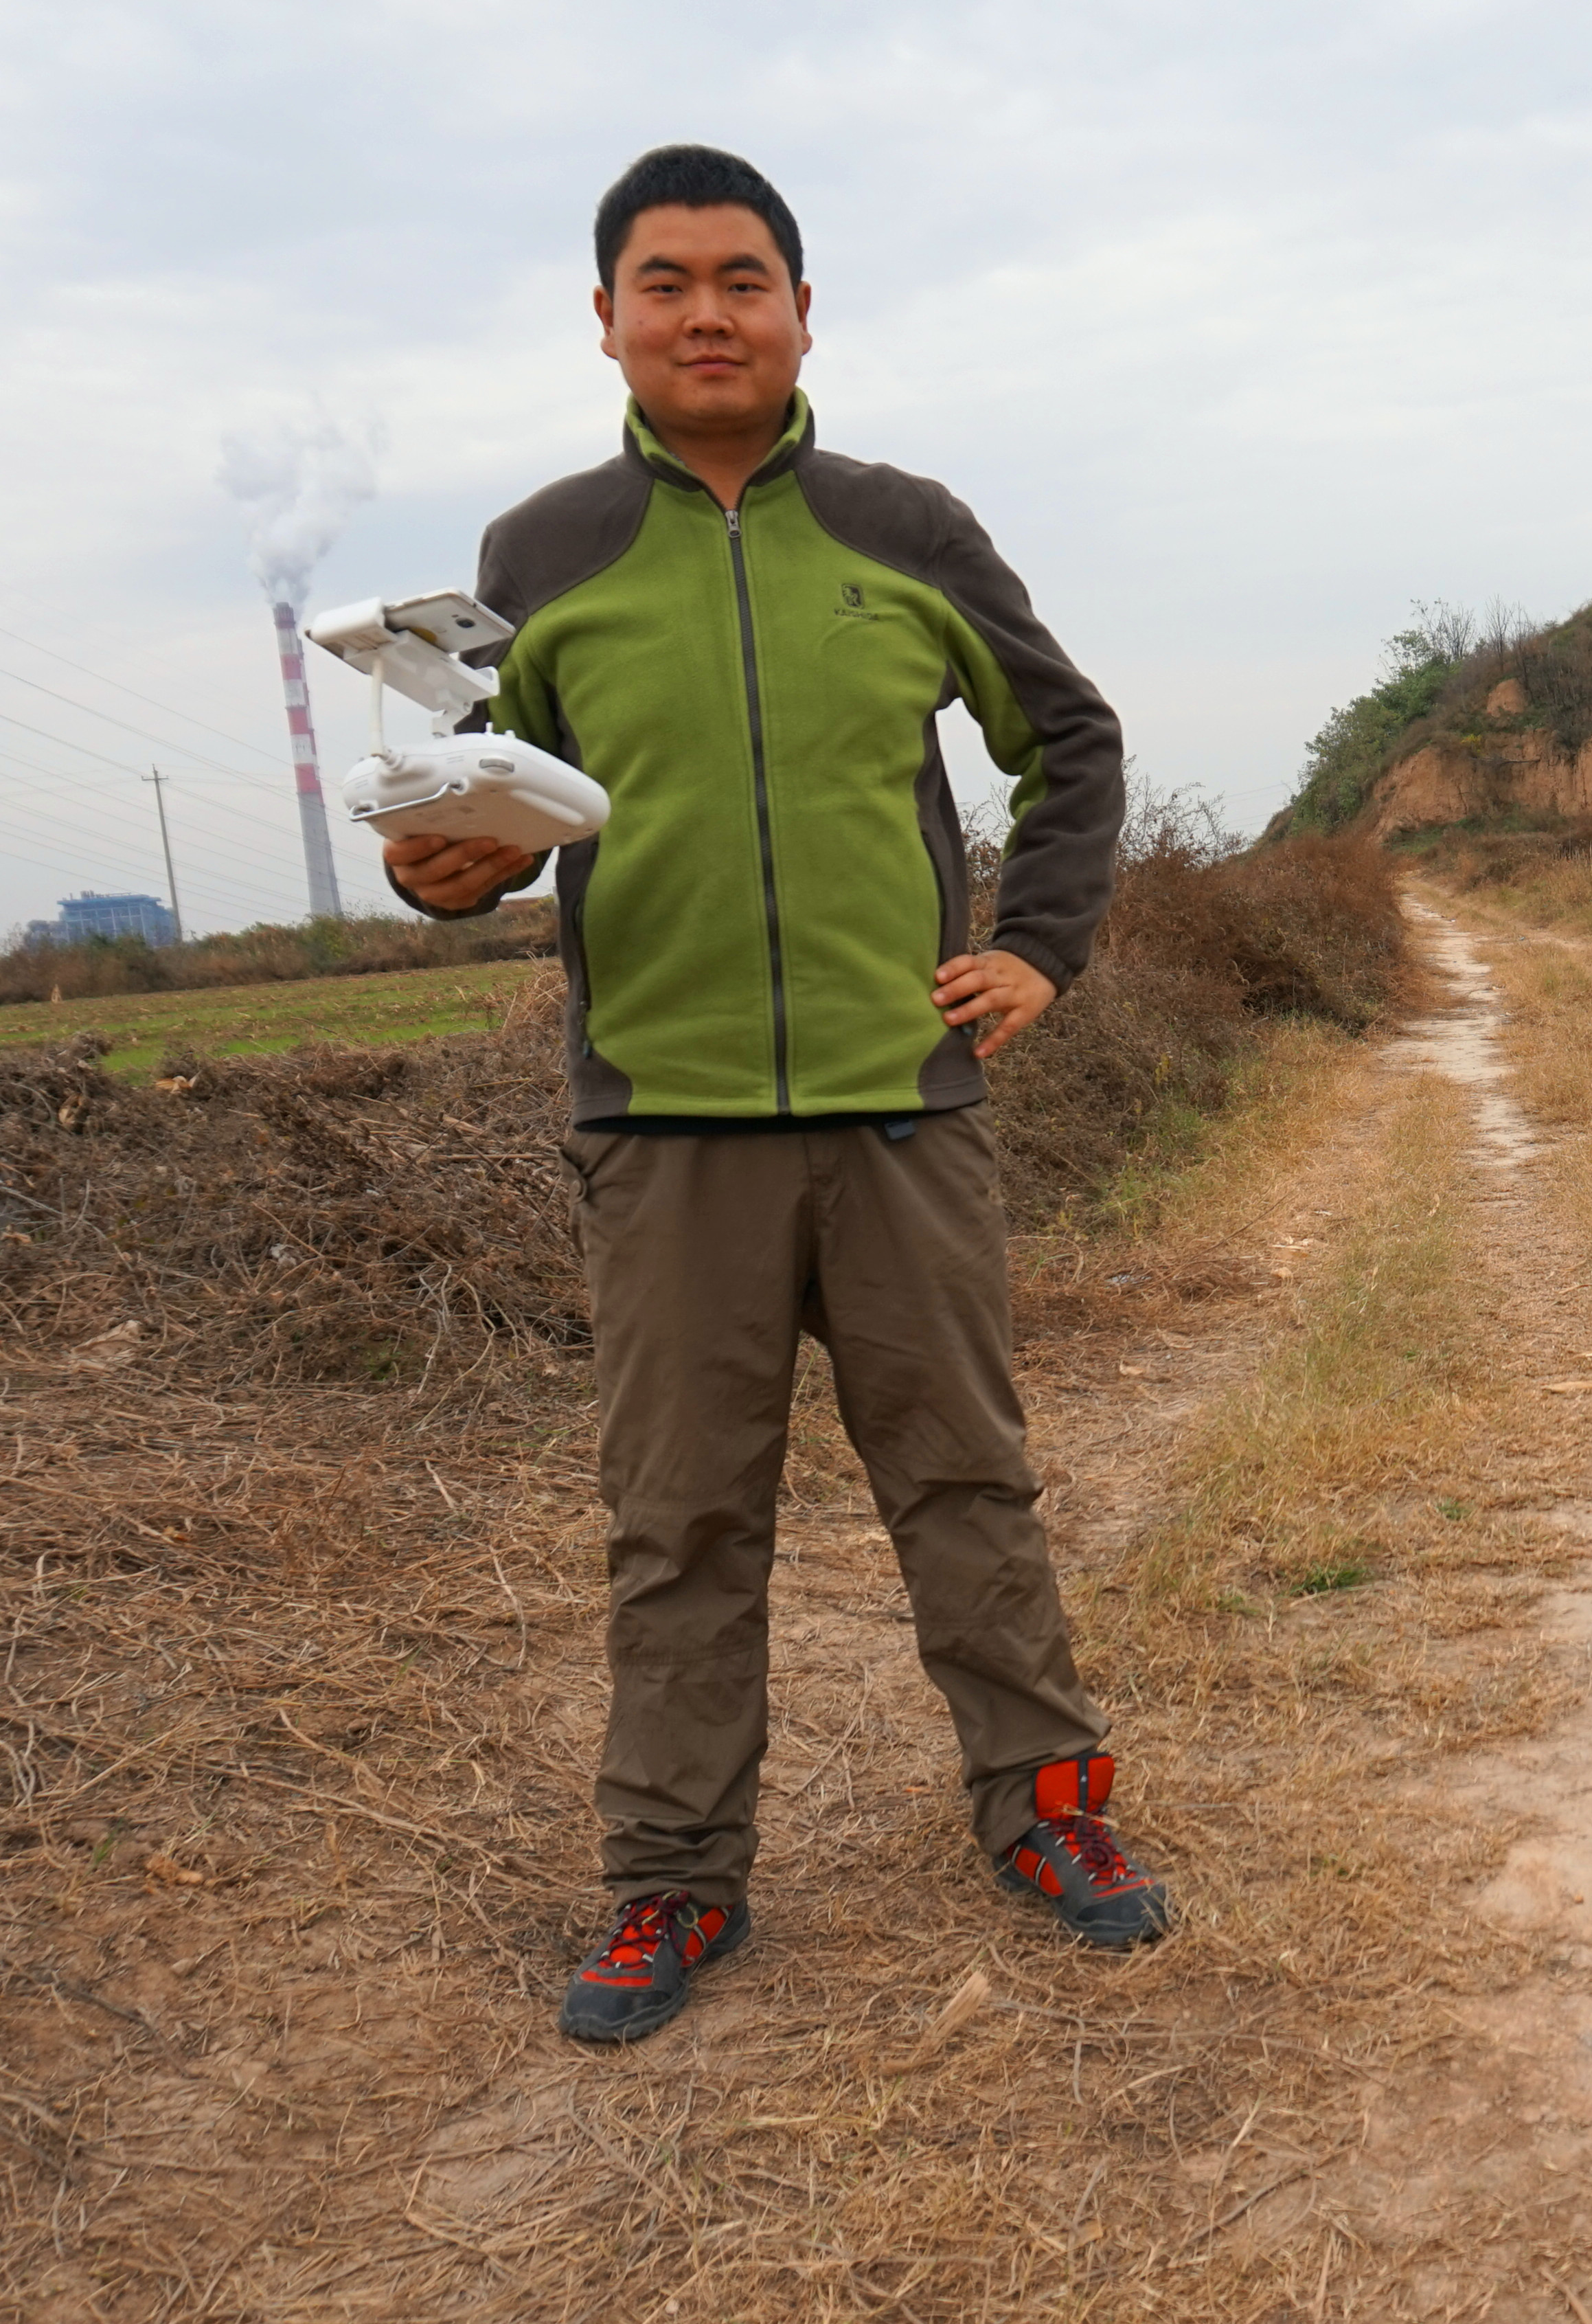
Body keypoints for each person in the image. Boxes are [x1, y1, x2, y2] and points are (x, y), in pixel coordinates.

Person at [389, 143, 1170, 2046]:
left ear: (804, 311)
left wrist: (1041, 947)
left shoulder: (909, 527)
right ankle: (670, 1888)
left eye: (745, 279)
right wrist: (450, 871)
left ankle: (1046, 1816)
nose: (708, 312)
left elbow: (1067, 739)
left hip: (904, 1110)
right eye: (666, 283)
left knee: (964, 1483)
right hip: (663, 1124)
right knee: (679, 1521)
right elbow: (480, 810)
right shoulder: (536, 557)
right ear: (608, 323)